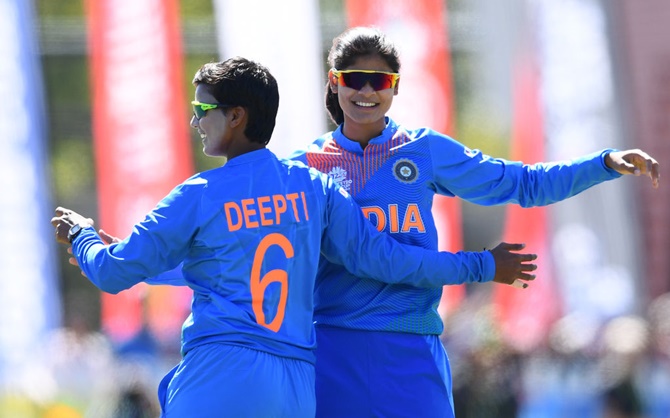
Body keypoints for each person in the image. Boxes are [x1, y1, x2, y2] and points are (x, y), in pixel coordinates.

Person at [51, 57, 538, 418]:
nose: (197, 120)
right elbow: (389, 261)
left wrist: (82, 237)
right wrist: (480, 266)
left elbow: (114, 273)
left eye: (204, 108)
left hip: (221, 371)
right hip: (295, 386)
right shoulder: (313, 186)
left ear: (237, 116)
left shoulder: (199, 193)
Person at [288, 26, 661, 418]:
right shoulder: (304, 167)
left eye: (379, 80)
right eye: (354, 80)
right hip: (333, 351)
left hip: (411, 350)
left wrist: (601, 164)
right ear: (334, 81)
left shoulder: (423, 149)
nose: (366, 92)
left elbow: (522, 183)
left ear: (396, 87)